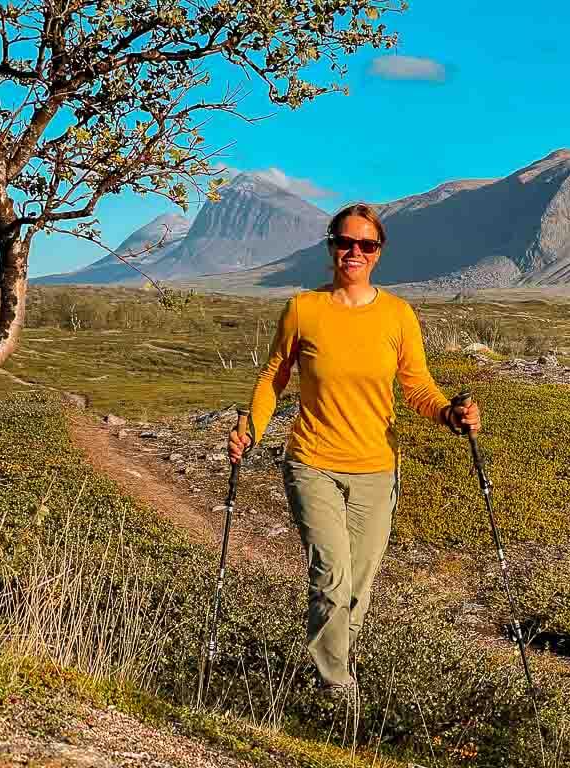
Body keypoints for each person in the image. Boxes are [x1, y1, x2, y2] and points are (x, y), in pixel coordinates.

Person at [228, 202, 480, 698]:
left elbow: (417, 388)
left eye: (366, 244)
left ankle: (328, 665)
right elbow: (273, 378)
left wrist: (450, 414)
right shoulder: (304, 309)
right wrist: (251, 427)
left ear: (378, 252)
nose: (354, 252)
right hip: (312, 462)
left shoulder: (397, 315)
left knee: (357, 592)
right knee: (331, 578)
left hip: (376, 470)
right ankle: (335, 688)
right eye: (345, 242)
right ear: (330, 247)